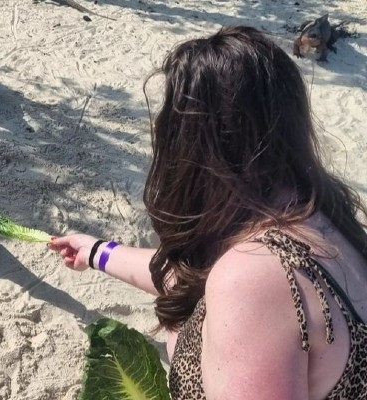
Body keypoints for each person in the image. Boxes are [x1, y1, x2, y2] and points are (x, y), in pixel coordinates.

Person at [48, 26, 367, 399]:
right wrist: (97, 251)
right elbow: (191, 279)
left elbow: (237, 287)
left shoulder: (253, 281)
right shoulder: (317, 218)